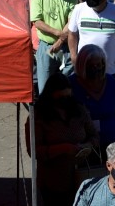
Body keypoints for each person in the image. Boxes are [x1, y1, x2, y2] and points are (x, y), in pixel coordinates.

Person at [28, 73, 98, 206]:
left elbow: (94, 135)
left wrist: (88, 146)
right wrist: (63, 149)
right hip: (53, 181)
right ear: (50, 95)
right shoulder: (38, 117)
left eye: (68, 96)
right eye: (61, 97)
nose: (65, 101)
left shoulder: (79, 109)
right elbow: (34, 151)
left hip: (82, 175)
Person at [70, 44, 115, 152]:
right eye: (91, 66)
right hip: (83, 147)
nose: (96, 69)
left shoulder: (111, 83)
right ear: (82, 65)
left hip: (110, 143)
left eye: (99, 65)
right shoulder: (71, 85)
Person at [30, 0, 77, 93]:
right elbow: (37, 21)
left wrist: (60, 40)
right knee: (44, 88)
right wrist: (58, 33)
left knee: (67, 85)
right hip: (46, 47)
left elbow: (72, 21)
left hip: (66, 46)